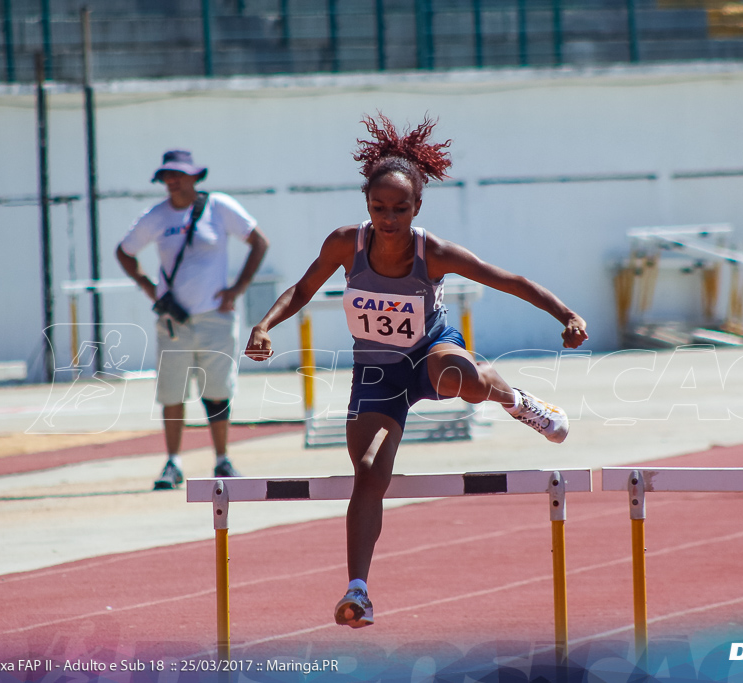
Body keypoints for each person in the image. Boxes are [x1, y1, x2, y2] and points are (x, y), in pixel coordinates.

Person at [244, 115, 587, 628]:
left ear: (417, 207)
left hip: (432, 351)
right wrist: (265, 325)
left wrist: (566, 315)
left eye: (399, 209)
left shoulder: (435, 253)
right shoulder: (345, 244)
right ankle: (357, 591)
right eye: (379, 208)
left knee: (464, 380)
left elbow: (508, 280)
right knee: (369, 473)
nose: (388, 218)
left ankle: (517, 402)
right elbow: (302, 288)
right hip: (377, 371)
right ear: (367, 207)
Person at [117, 150, 269, 490]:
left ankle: (222, 459)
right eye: (166, 176)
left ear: (195, 177)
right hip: (174, 319)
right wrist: (147, 287)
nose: (172, 181)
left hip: (216, 316)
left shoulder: (219, 207)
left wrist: (237, 288)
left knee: (217, 390)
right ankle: (173, 462)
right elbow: (124, 251)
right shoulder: (156, 217)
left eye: (178, 175)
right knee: (172, 390)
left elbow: (259, 242)